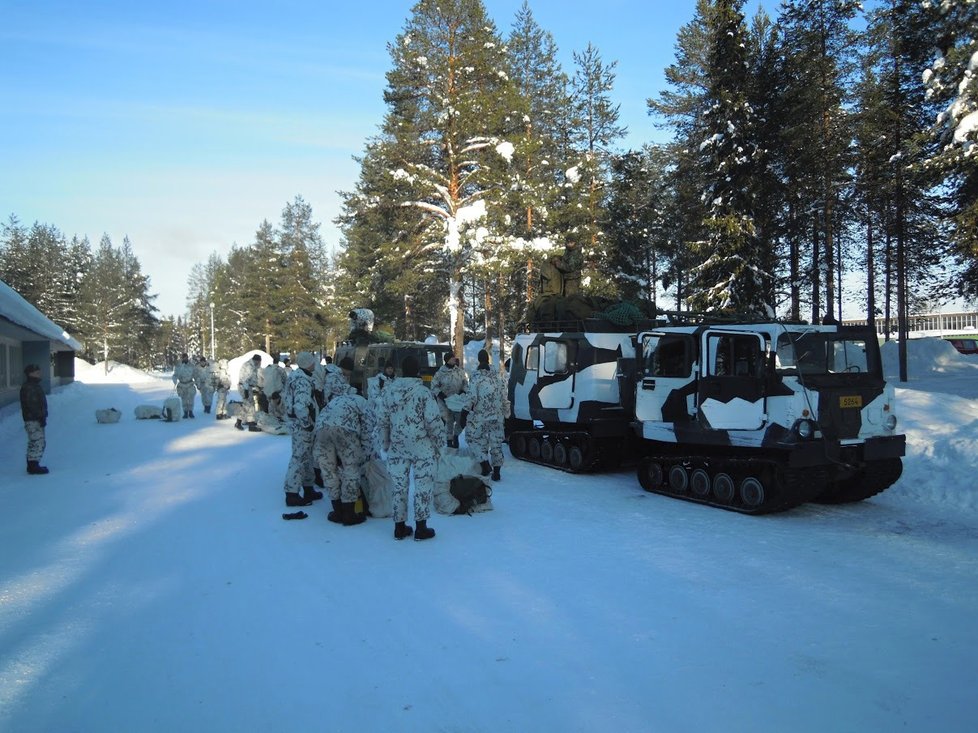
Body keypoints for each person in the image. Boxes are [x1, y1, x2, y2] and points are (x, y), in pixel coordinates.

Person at [377, 355, 445, 540]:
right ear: (417, 371)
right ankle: (421, 528)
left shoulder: (389, 391)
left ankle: (399, 527)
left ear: (401, 371)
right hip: (421, 445)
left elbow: (382, 420)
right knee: (423, 484)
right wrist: (440, 444)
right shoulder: (423, 392)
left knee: (398, 486)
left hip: (397, 445)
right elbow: (433, 421)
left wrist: (385, 443)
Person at [315, 377, 370, 526]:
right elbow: (367, 428)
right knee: (351, 469)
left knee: (329, 469)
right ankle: (349, 512)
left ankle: (337, 510)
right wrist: (364, 452)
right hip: (345, 430)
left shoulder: (335, 401)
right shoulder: (361, 401)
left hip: (321, 429)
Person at [457, 349, 506, 481]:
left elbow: (472, 396)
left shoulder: (476, 376)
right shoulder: (497, 376)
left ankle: (484, 464)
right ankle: (497, 471)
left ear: (479, 360)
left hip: (481, 416)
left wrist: (464, 412)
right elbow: (503, 395)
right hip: (497, 415)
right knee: (496, 442)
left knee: (472, 438)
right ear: (488, 360)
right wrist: (506, 412)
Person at [282, 351, 323, 507]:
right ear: (307, 363)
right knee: (299, 458)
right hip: (303, 427)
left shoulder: (297, 376)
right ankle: (291, 493)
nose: (315, 364)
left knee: (307, 458)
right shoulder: (303, 381)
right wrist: (307, 424)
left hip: (299, 425)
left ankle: (308, 487)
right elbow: (300, 406)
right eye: (313, 362)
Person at [431, 351, 468, 448]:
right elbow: (434, 386)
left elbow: (465, 383)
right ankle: (449, 440)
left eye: (454, 358)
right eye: (452, 358)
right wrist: (441, 396)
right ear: (447, 360)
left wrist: (463, 392)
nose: (454, 359)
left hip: (458, 401)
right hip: (445, 402)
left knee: (460, 420)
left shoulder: (460, 371)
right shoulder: (440, 373)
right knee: (448, 421)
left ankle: (456, 436)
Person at [20, 363, 49, 475]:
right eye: (37, 372)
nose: (39, 374)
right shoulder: (30, 387)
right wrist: (40, 416)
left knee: (35, 441)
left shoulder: (33, 385)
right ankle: (33, 466)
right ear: (30, 373)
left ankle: (32, 463)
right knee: (37, 441)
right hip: (33, 419)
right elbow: (32, 404)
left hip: (34, 418)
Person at [236, 354, 262, 432]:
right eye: (259, 361)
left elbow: (255, 378)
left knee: (246, 405)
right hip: (244, 387)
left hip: (248, 387)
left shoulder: (254, 365)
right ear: (256, 360)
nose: (259, 363)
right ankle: (251, 425)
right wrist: (246, 390)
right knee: (250, 405)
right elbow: (245, 379)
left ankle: (238, 422)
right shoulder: (248, 366)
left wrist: (257, 386)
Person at [172, 352, 197, 419]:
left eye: (186, 357)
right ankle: (185, 412)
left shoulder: (191, 366)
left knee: (191, 399)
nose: (185, 358)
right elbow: (175, 375)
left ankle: (191, 412)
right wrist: (174, 380)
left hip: (190, 384)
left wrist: (198, 382)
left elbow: (195, 375)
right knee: (184, 399)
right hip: (182, 384)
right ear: (182, 358)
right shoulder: (178, 366)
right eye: (183, 357)